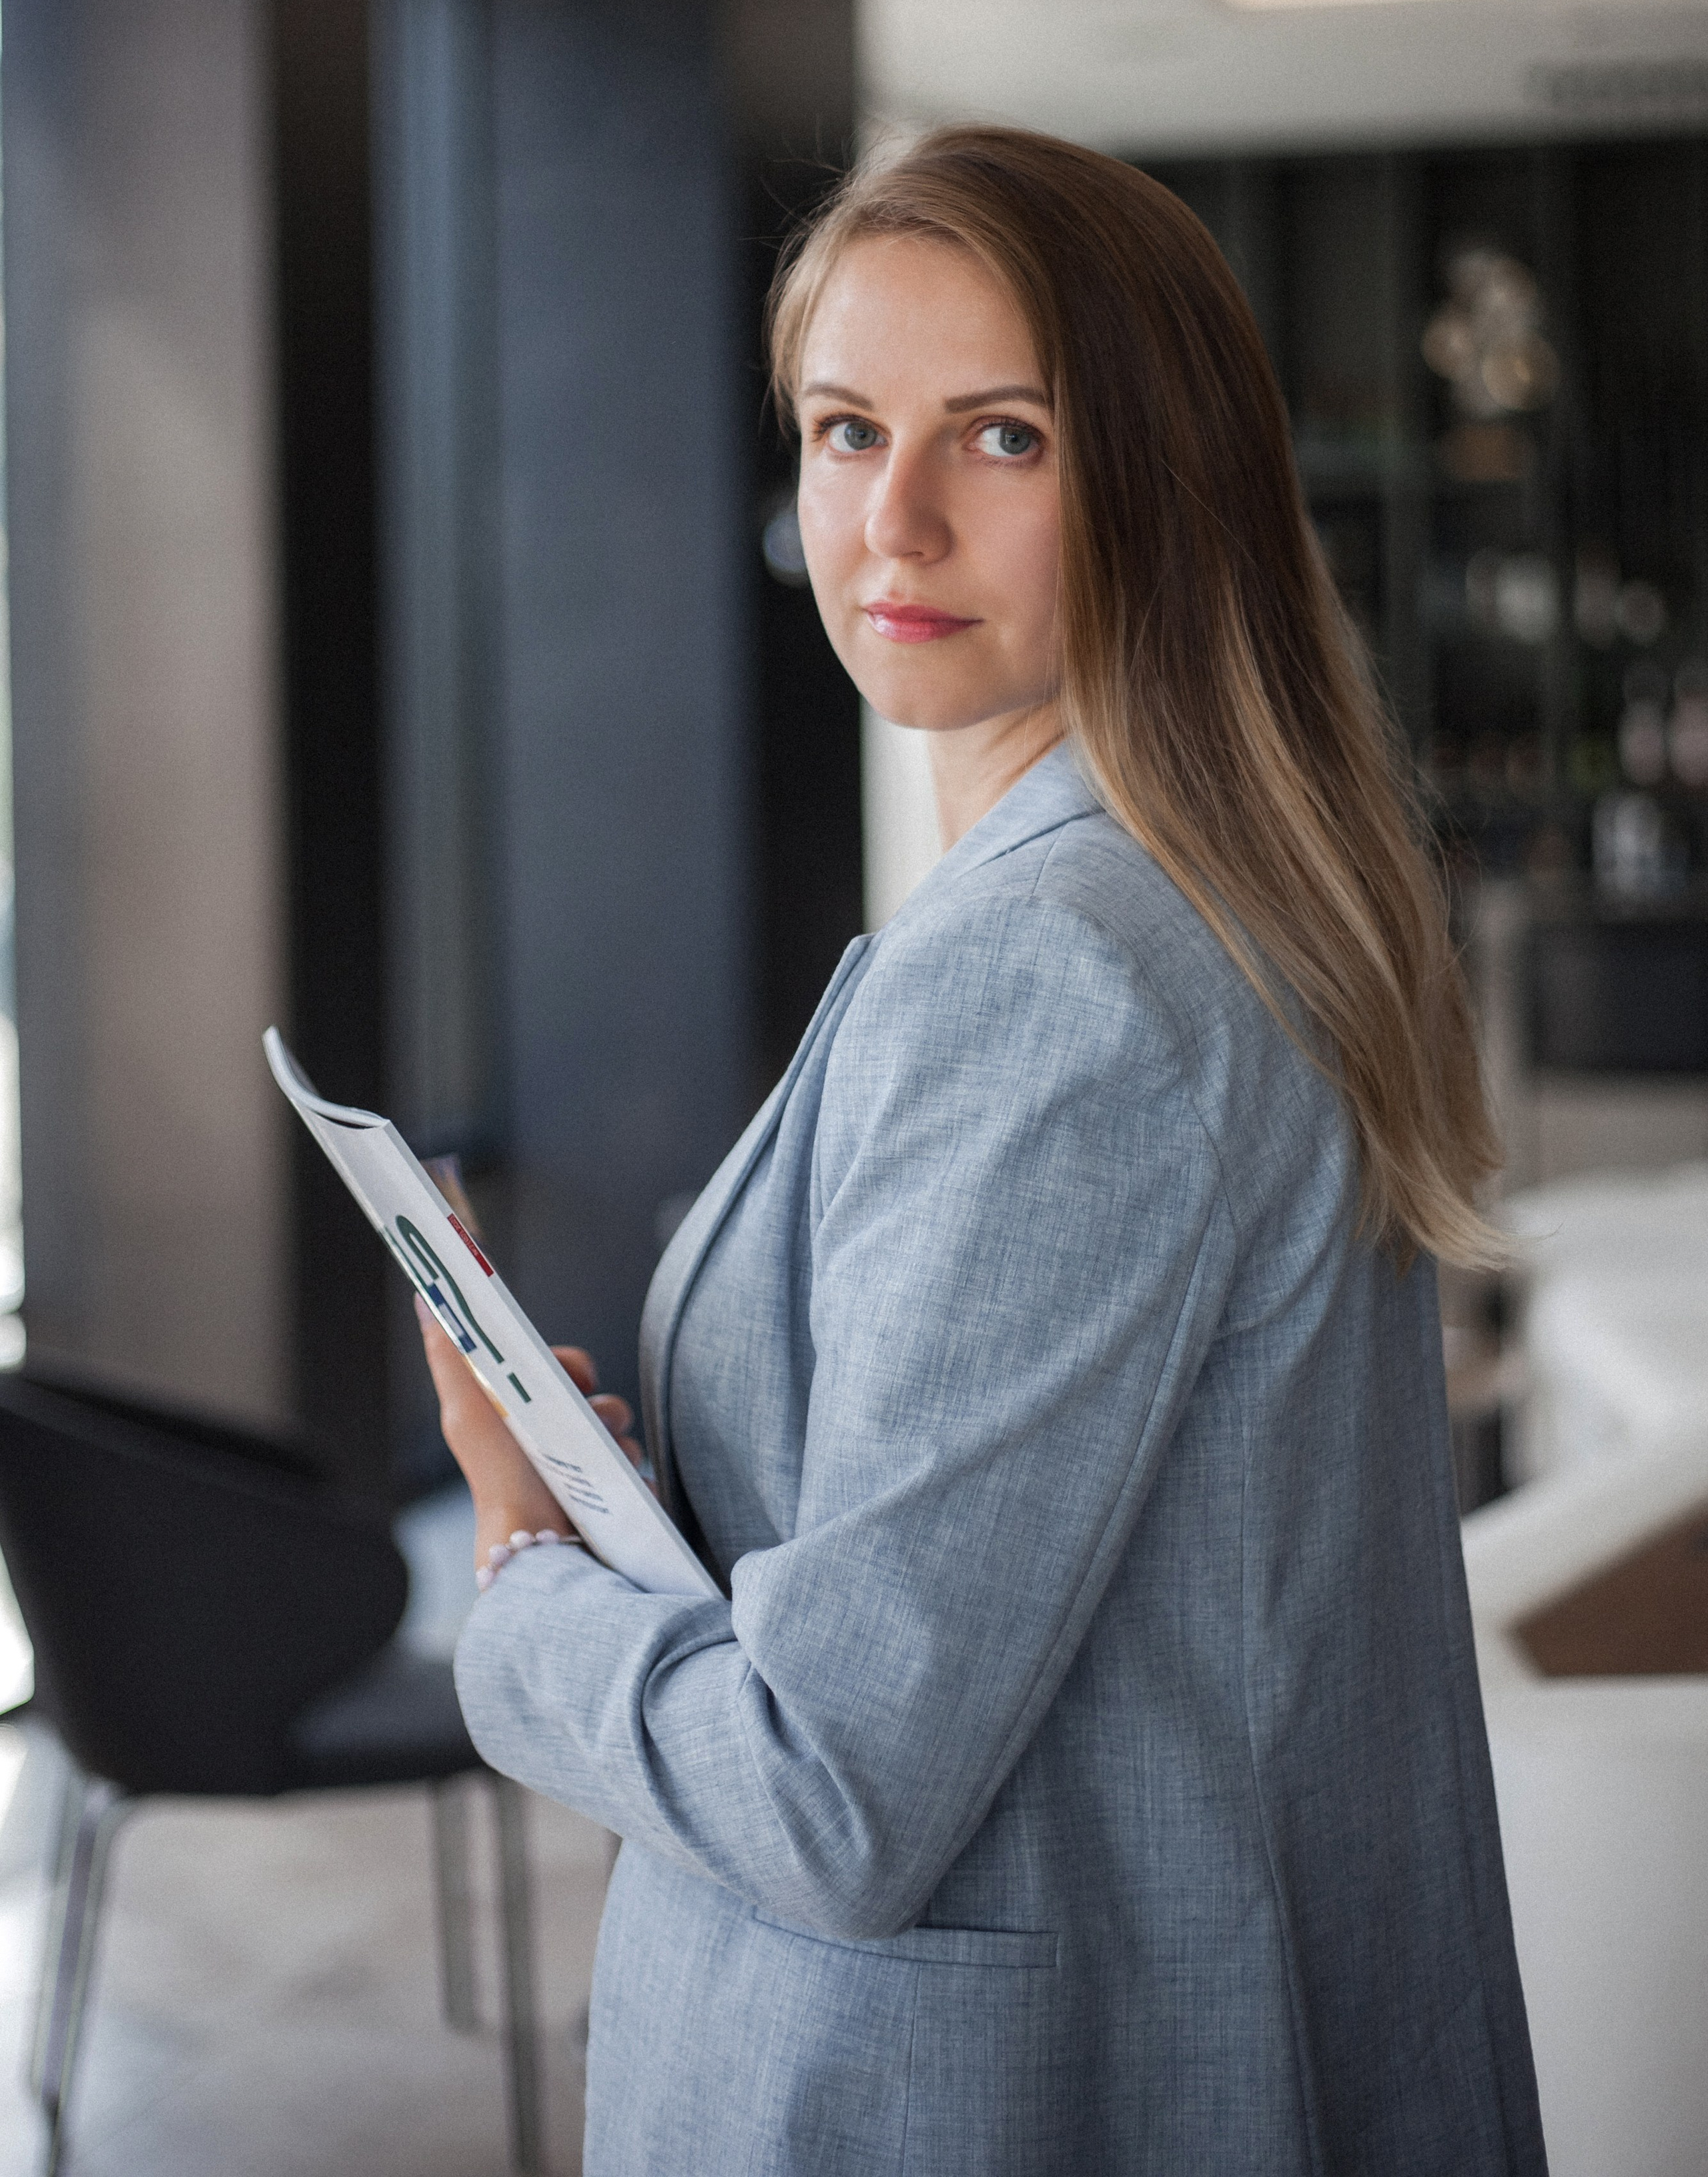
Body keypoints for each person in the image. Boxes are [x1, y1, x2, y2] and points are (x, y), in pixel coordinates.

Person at [424, 126, 1549, 2176]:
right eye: (847, 430)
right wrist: (682, 1519)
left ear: (1165, 479)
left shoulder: (1057, 975)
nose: (897, 521)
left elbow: (830, 1794)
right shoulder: (1208, 899)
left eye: (1004, 437)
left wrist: (524, 1576)